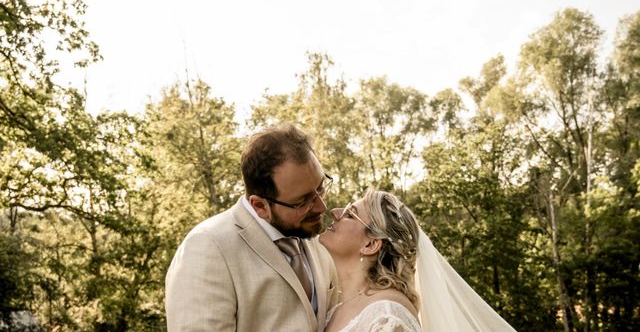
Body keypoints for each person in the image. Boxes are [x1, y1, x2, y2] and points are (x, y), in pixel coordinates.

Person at [165, 124, 339, 331]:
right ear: (260, 205)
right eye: (303, 201)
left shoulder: (319, 241)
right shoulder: (207, 247)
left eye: (320, 188)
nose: (321, 206)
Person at [320, 190, 518, 332]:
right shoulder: (333, 309)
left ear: (371, 244)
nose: (335, 212)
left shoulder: (388, 315)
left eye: (350, 214)